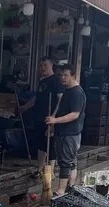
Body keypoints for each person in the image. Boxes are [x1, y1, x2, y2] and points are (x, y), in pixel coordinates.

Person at [45, 64, 86, 196]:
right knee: (70, 161)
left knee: (65, 162)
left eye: (66, 75)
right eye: (61, 75)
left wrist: (55, 121)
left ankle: (61, 190)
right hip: (63, 131)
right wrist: (53, 122)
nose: (62, 78)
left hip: (70, 133)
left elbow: (75, 114)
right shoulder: (67, 90)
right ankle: (71, 188)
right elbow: (59, 107)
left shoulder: (77, 93)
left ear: (73, 75)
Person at [20, 57, 64, 177]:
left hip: (50, 117)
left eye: (45, 65)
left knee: (50, 143)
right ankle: (39, 169)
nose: (42, 68)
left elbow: (60, 100)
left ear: (51, 65)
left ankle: (51, 171)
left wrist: (54, 117)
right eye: (40, 66)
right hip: (39, 116)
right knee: (41, 143)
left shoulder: (56, 81)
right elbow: (36, 98)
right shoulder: (42, 81)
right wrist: (25, 107)